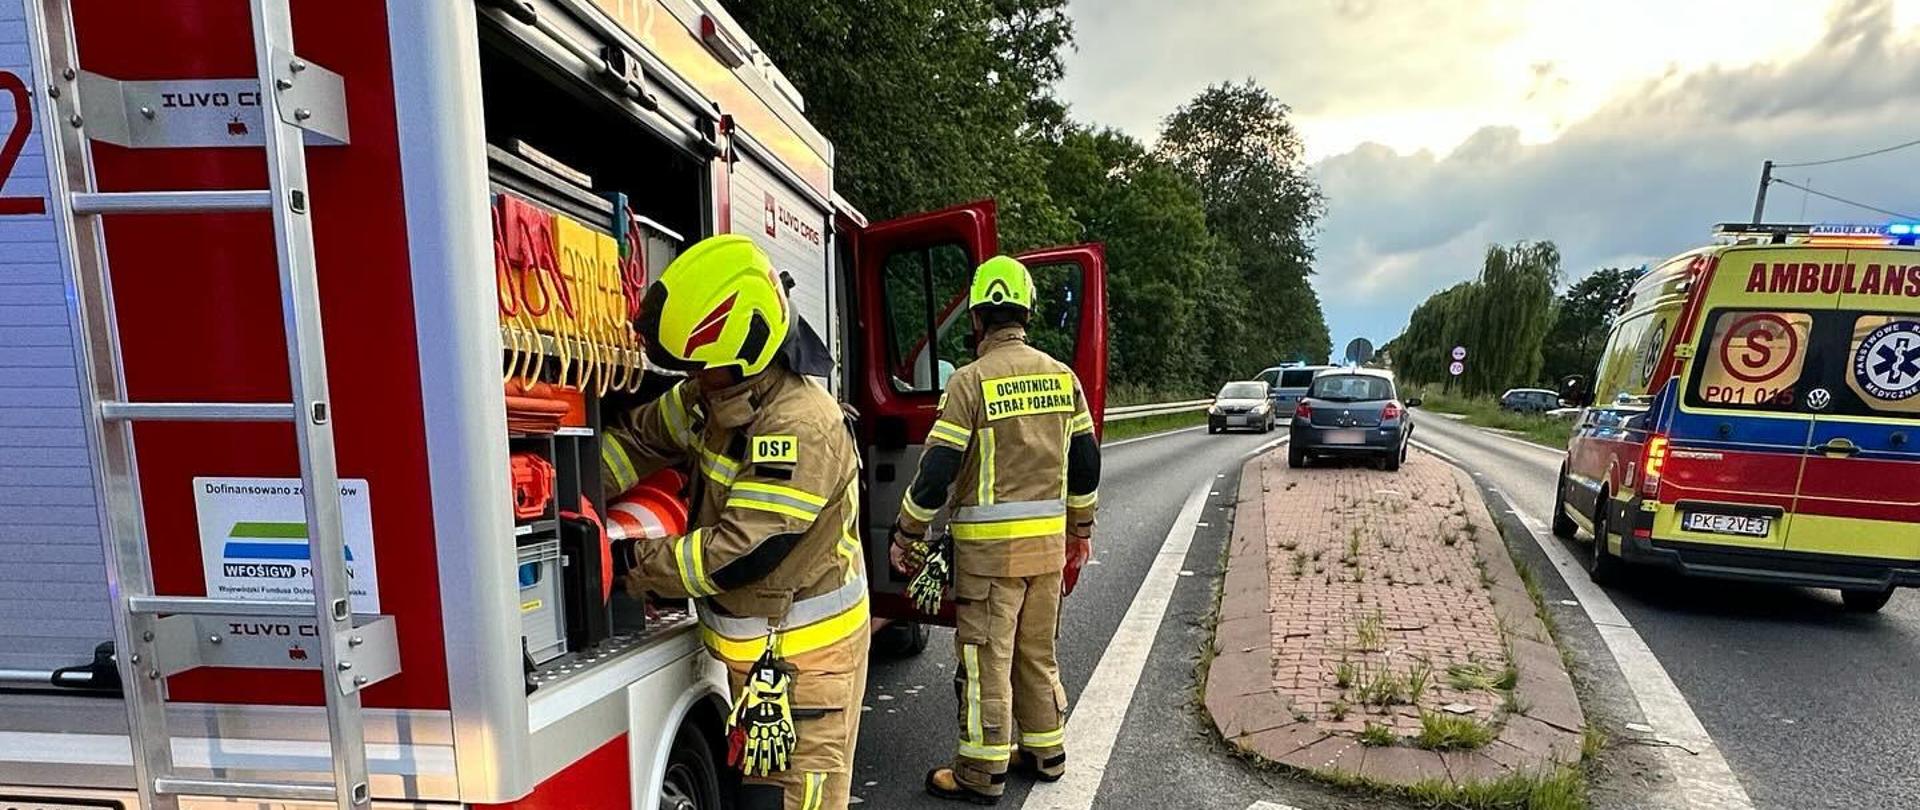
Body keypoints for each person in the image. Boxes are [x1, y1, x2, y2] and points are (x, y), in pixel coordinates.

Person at [603, 234, 868, 810]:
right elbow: (641, 439)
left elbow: (742, 552)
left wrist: (628, 563)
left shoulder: (799, 425)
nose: (694, 378)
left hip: (805, 669)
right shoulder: (717, 395)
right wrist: (570, 490)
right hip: (760, 662)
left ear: (746, 351)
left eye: (704, 366)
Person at [890, 255, 1102, 805]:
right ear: (1027, 312)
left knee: (986, 663)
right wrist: (1080, 530)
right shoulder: (1063, 378)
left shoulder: (969, 382)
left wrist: (907, 532)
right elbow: (1085, 464)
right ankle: (1047, 753)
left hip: (989, 562)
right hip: (1047, 553)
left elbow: (937, 469)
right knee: (1037, 654)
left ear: (977, 318)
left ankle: (981, 773)